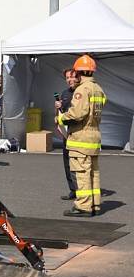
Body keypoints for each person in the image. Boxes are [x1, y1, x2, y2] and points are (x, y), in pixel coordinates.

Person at [57, 55, 106, 217]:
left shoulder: (82, 90)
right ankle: (95, 204)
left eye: (75, 73)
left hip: (81, 138)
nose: (74, 77)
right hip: (94, 136)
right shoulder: (98, 88)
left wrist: (61, 117)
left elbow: (78, 113)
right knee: (94, 173)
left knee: (82, 172)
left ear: (80, 72)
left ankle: (83, 206)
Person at [55, 68, 79, 201]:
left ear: (78, 77)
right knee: (67, 163)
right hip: (66, 134)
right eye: (67, 78)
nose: (70, 80)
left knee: (79, 163)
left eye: (72, 77)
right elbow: (62, 112)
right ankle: (73, 190)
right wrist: (58, 107)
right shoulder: (65, 93)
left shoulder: (81, 92)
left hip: (78, 133)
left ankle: (82, 191)